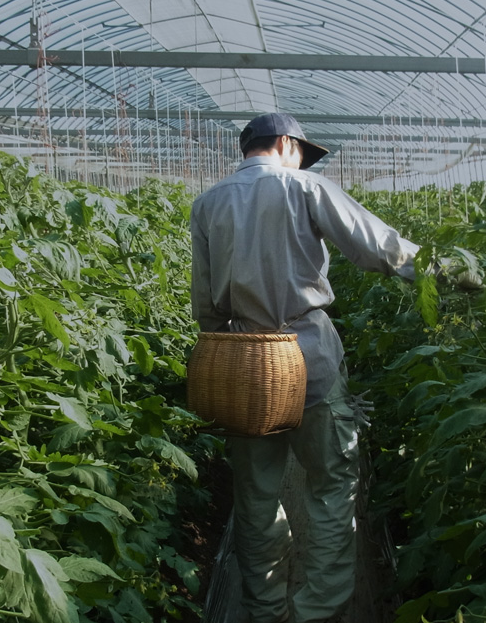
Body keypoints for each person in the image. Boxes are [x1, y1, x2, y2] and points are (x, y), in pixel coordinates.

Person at [189, 113, 423, 623]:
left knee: (255, 494)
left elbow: (205, 305)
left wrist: (229, 346)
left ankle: (264, 608)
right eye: (302, 152)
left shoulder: (208, 203)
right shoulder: (305, 188)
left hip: (245, 366)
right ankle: (319, 610)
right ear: (286, 144)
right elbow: (377, 247)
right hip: (310, 357)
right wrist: (439, 271)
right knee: (331, 486)